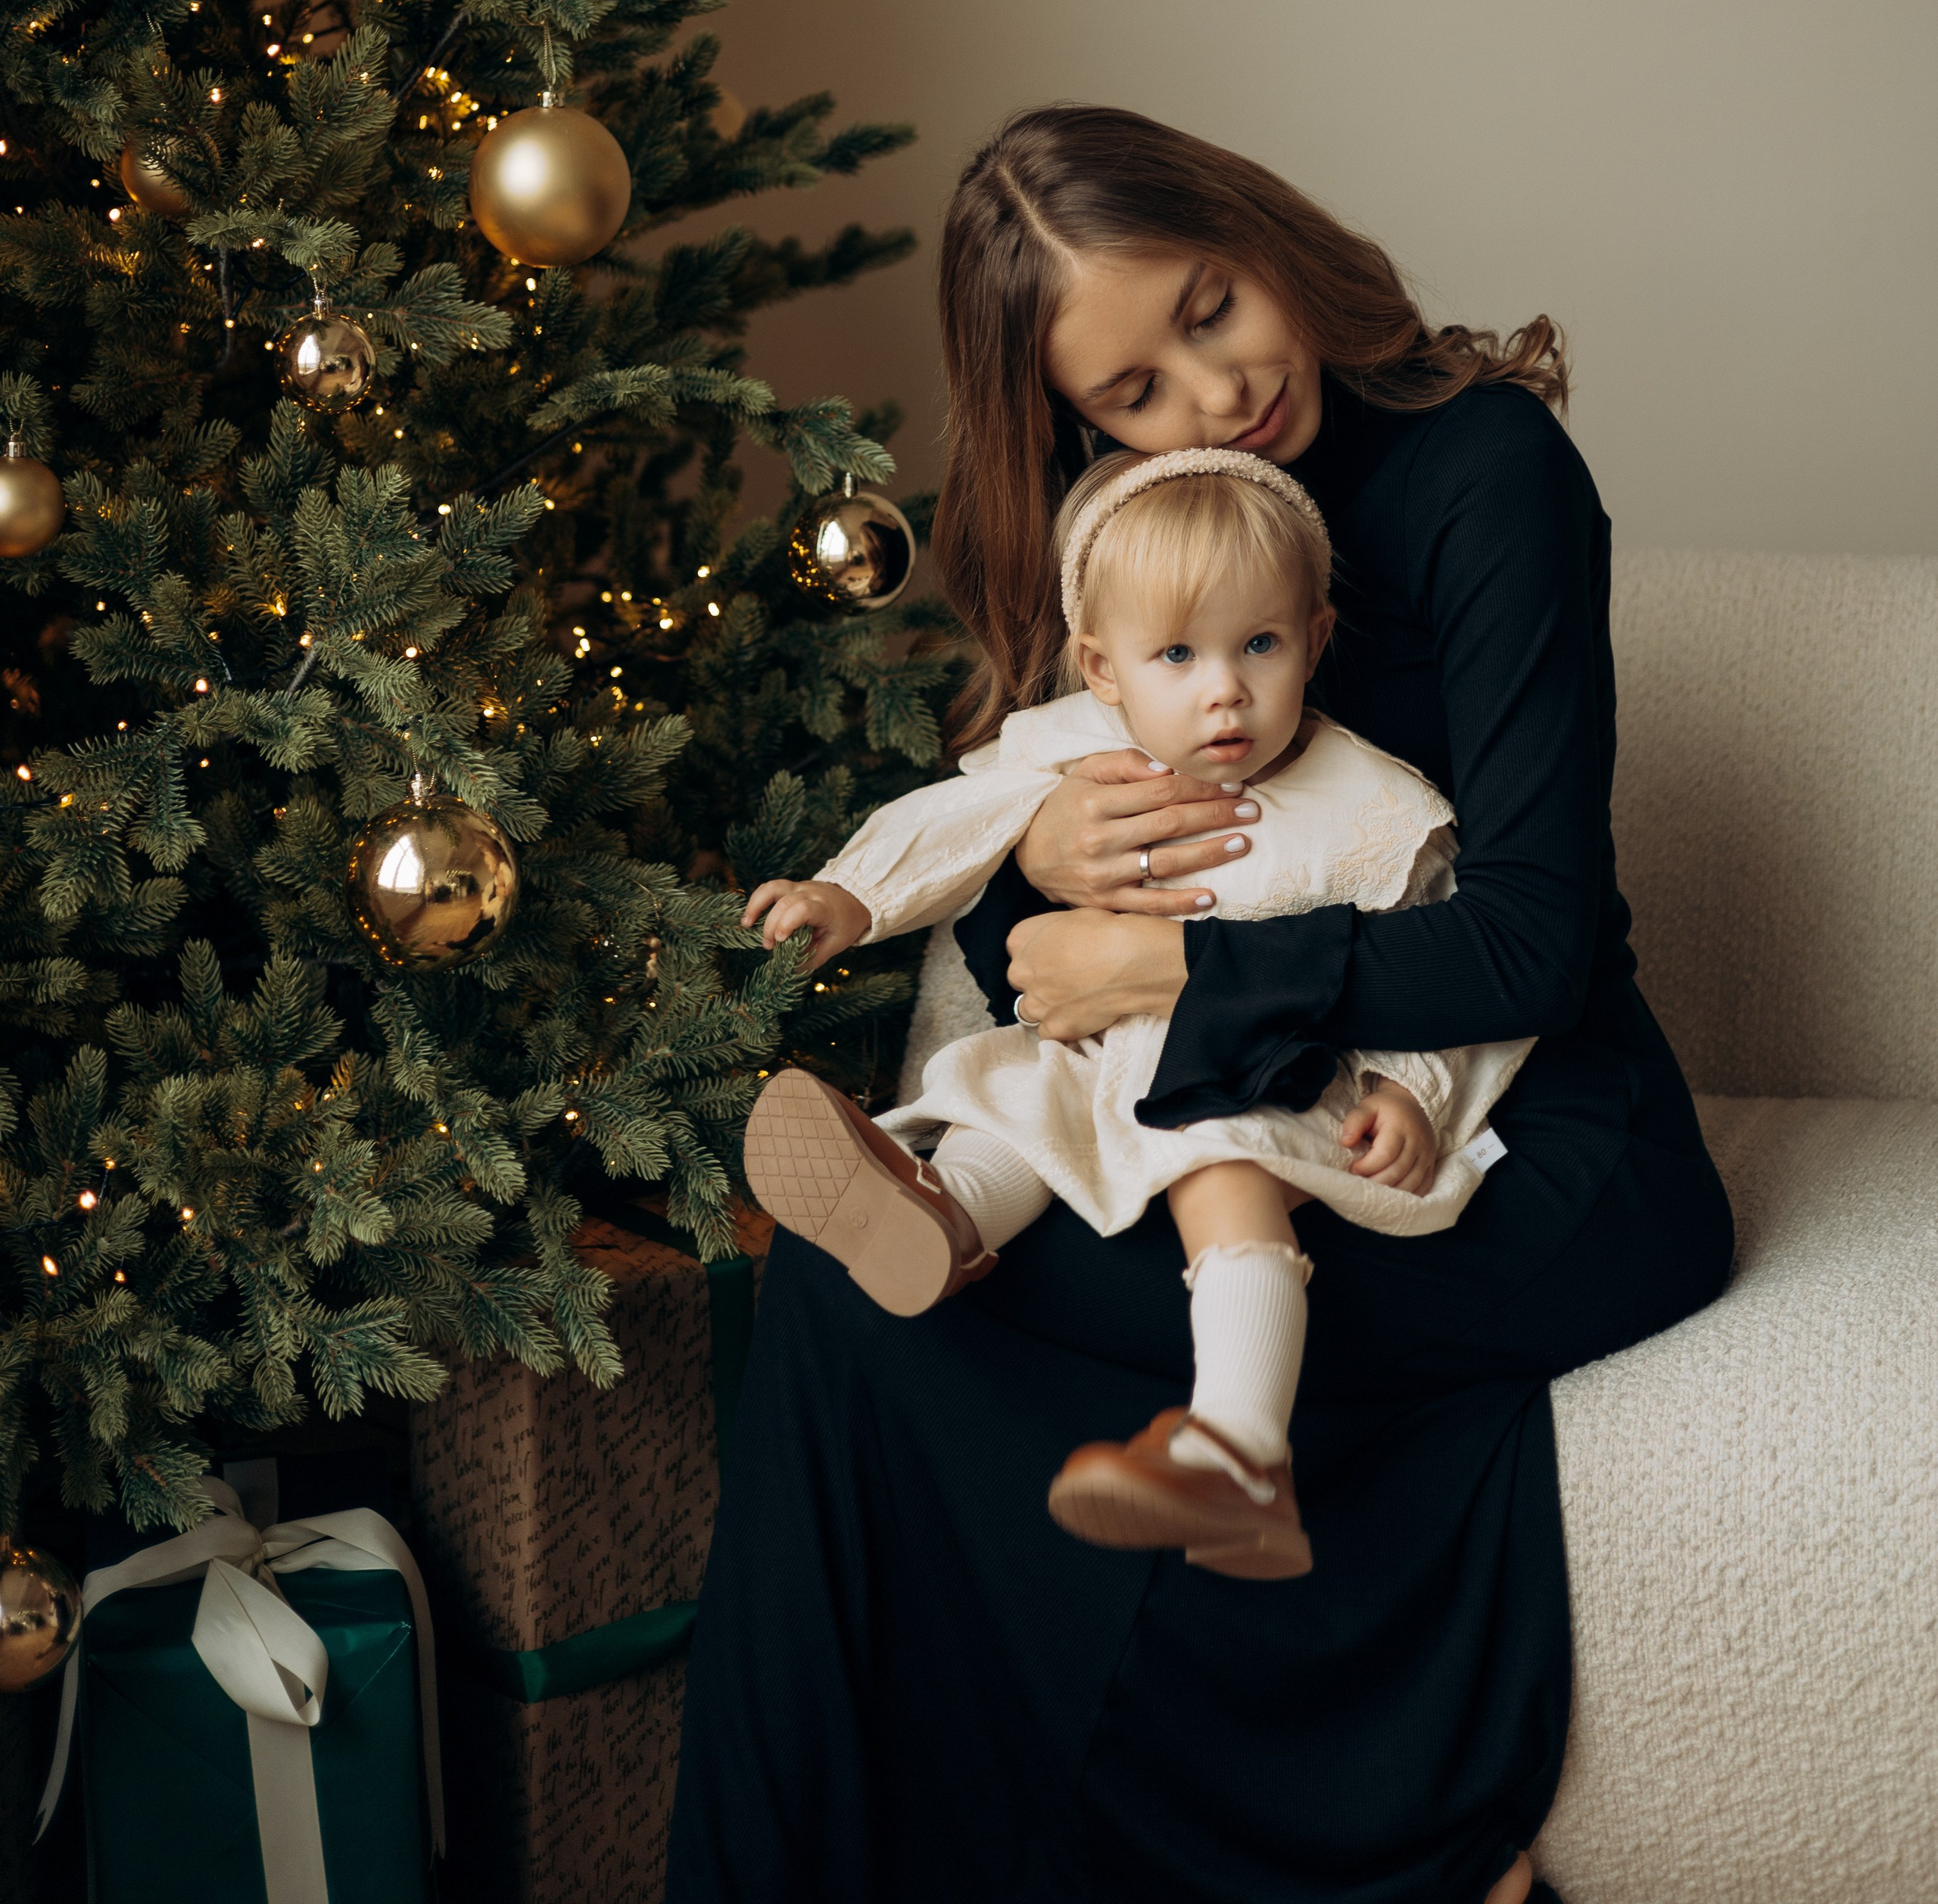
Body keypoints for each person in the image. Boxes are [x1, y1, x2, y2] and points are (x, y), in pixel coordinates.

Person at [667, 106, 1734, 1904]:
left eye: (1212, 311)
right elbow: (1038, 885)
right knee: (862, 1300)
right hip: (1231, 1097)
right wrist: (1057, 869)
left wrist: (1167, 959)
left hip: (1517, 1140)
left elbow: (1530, 943)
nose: (1211, 400)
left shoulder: (1486, 477)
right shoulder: (1146, 540)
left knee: (894, 1321)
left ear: (1260, 234)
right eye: (1132, 396)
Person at [738, 447, 1532, 1581]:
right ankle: (945, 1217)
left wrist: (1416, 1085)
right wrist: (850, 895)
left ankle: (1242, 1454)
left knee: (1224, 1163)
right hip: (1106, 1051)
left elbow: (1450, 957)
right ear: (1103, 670)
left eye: (1259, 645)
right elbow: (956, 825)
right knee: (1012, 1096)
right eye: (1179, 655)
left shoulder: (1374, 804)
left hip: (1259, 1067)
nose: (1225, 690)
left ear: (1315, 636)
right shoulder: (1080, 750)